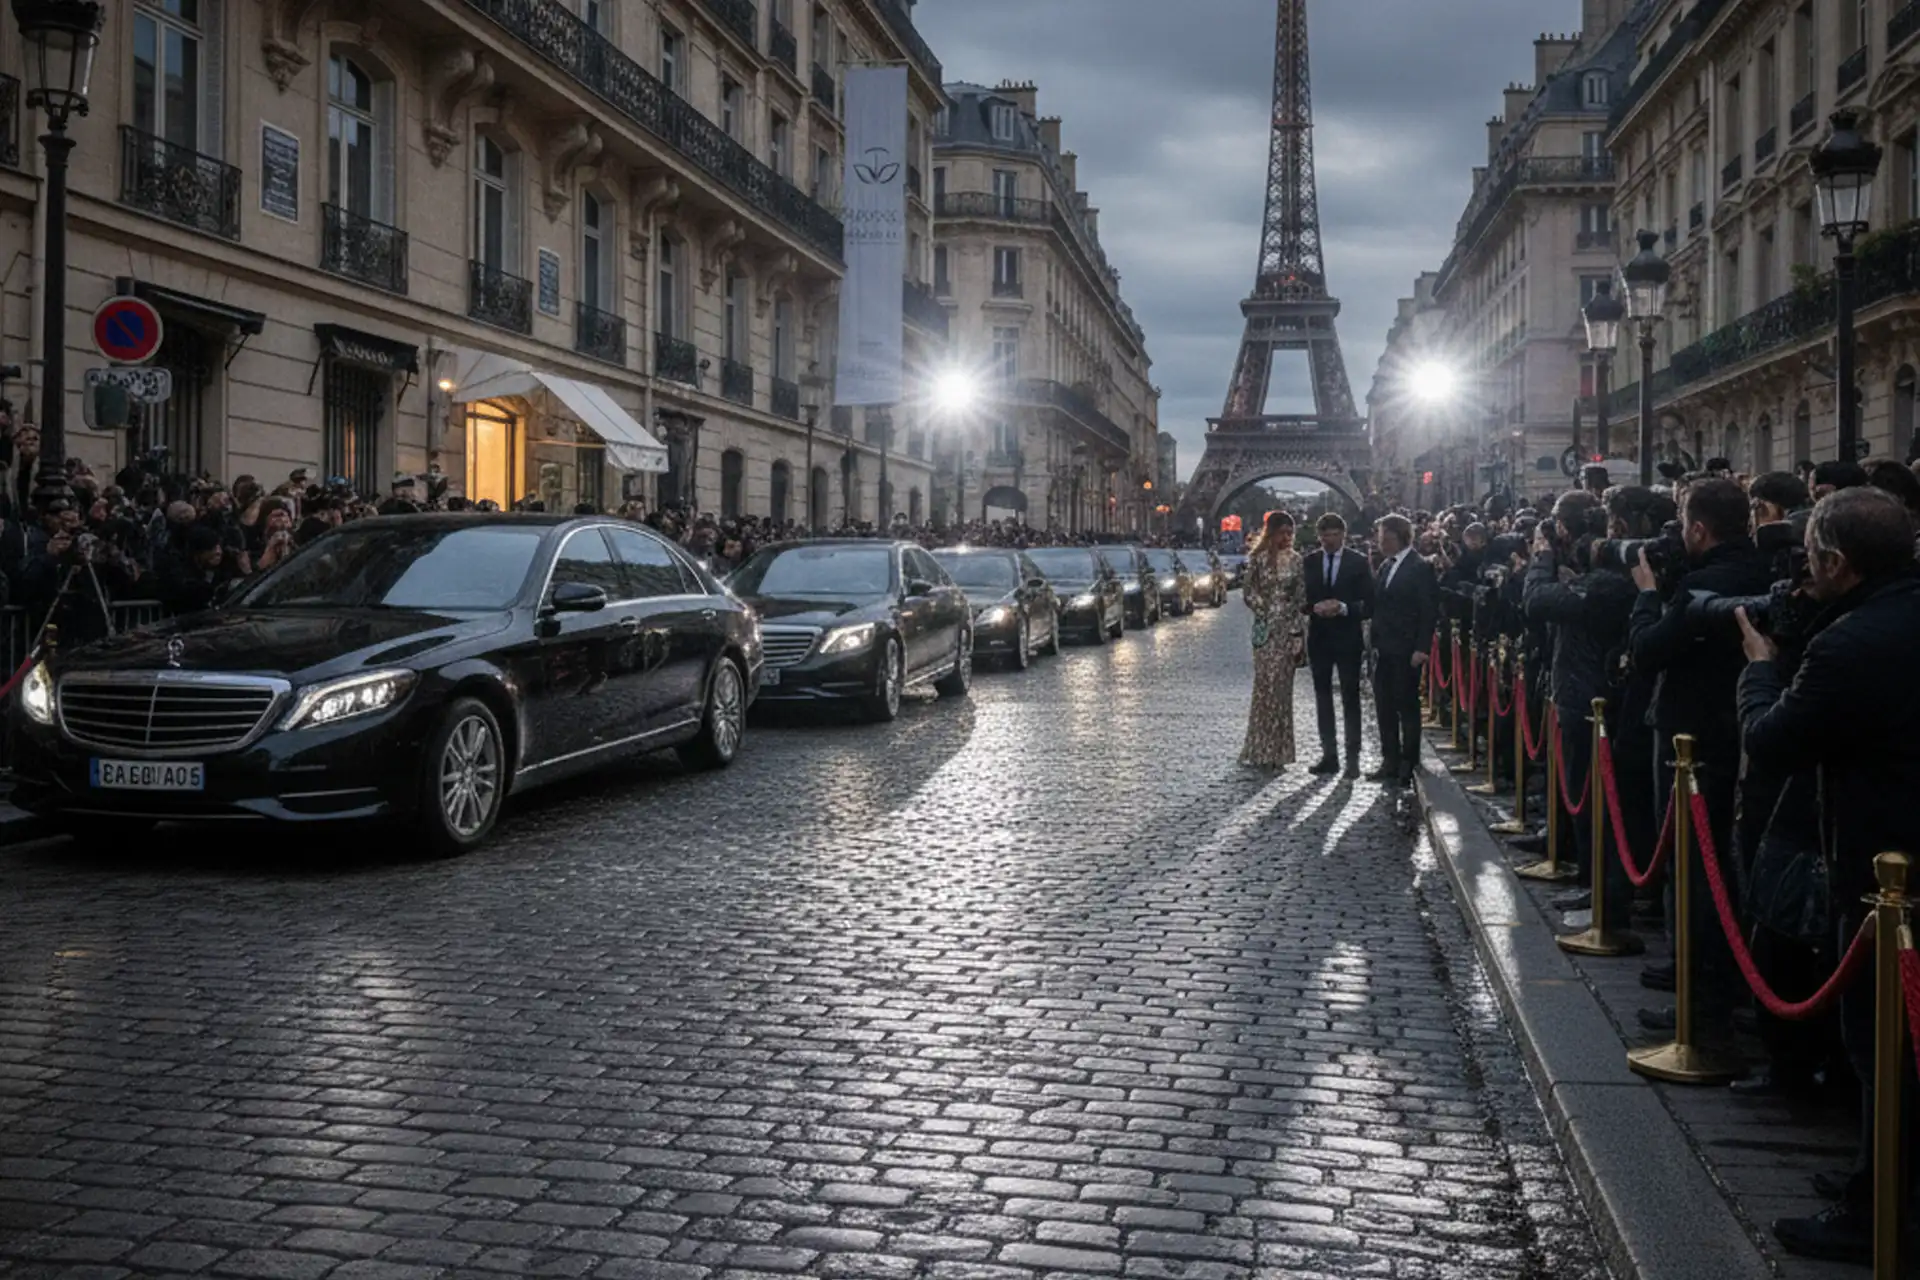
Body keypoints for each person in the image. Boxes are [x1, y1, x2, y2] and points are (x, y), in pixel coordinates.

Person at [1735, 488, 1920, 1264]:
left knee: (1881, 1050)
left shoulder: (1846, 646)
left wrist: (1761, 670)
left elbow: (1772, 742)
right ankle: (1871, 1183)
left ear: (1837, 562)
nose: (1802, 570)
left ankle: (1878, 1217)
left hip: (1879, 878)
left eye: (1811, 557)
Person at [1367, 513, 1438, 787]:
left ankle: (1409, 762)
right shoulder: (1387, 566)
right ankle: (1390, 760)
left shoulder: (1419, 567)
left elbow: (1428, 610)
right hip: (1383, 647)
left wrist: (1422, 647)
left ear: (1399, 537)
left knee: (1406, 706)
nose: (1381, 542)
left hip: (1407, 649)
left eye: (1385, 537)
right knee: (1384, 706)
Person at [1301, 512, 1373, 778]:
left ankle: (1352, 757)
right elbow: (1300, 597)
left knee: (1350, 698)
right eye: (1324, 535)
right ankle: (1329, 754)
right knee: (1322, 698)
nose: (1329, 540)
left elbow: (1369, 603)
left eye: (1333, 535)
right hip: (1319, 638)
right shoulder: (1309, 562)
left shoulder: (1358, 562)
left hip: (1347, 637)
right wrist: (1313, 607)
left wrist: (1342, 608)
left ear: (1343, 535)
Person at [1238, 511, 1307, 771]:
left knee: (1282, 692)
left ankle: (1279, 750)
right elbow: (1248, 592)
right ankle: (1260, 748)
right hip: (1266, 632)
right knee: (1264, 689)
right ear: (1271, 532)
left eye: (1291, 533)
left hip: (1287, 631)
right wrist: (1265, 610)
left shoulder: (1297, 561)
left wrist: (1296, 627)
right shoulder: (1258, 560)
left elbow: (1301, 596)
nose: (1287, 537)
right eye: (1283, 532)